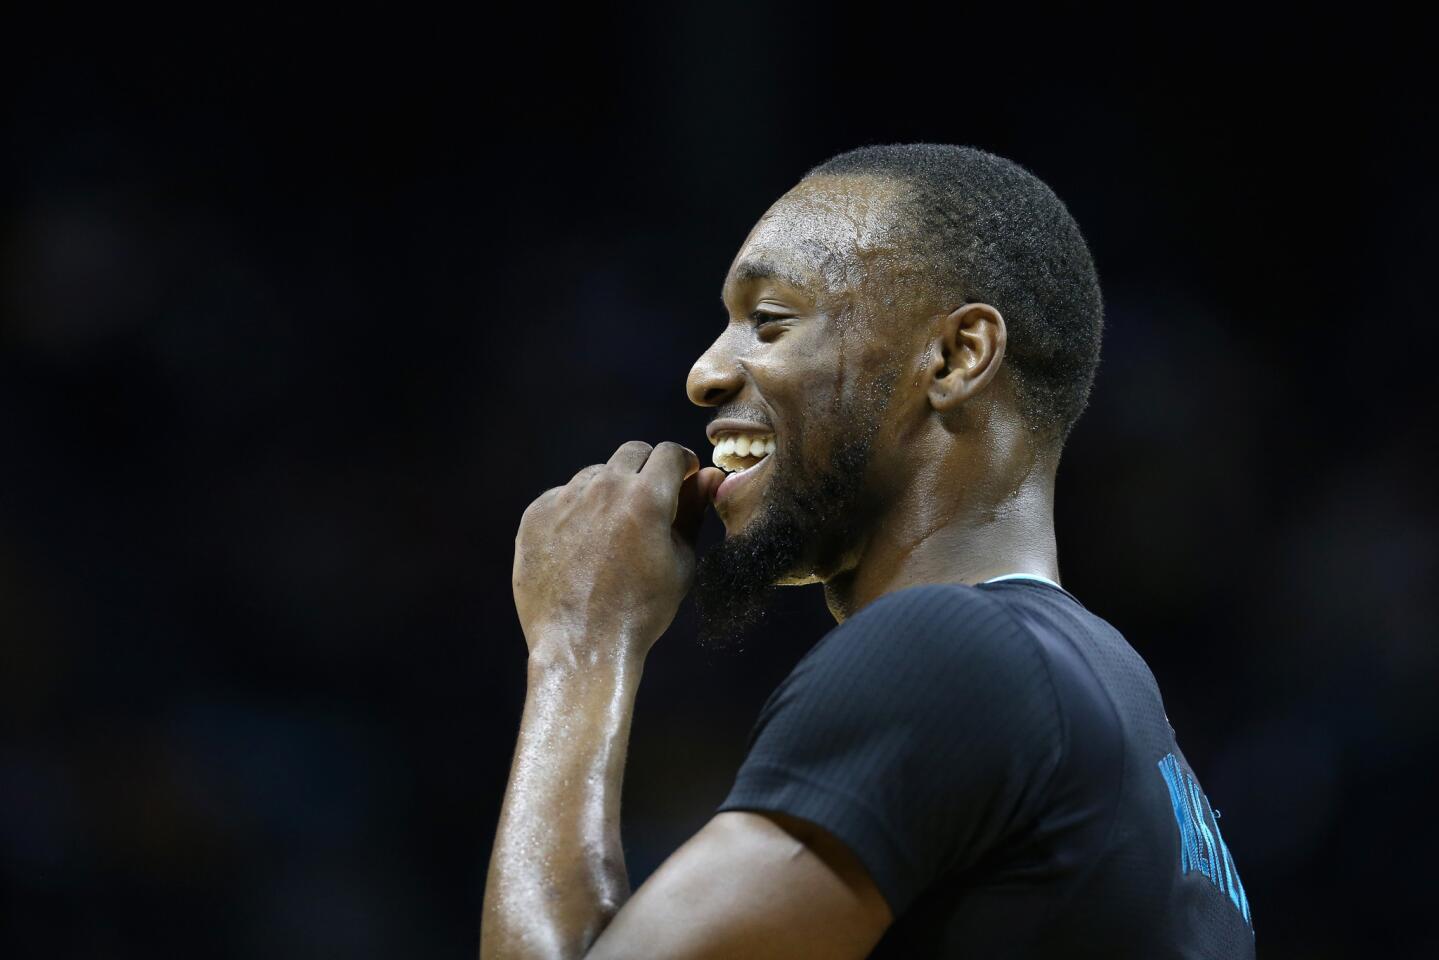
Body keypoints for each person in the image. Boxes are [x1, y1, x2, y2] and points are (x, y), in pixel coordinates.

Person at [481, 144, 1255, 959]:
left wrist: (580, 640)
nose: (703, 373)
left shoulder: (947, 654)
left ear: (955, 358)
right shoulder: (1116, 694)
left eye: (769, 320)